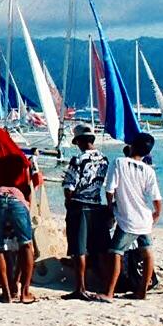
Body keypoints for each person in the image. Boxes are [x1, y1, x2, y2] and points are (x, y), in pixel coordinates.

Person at [98, 135, 162, 301]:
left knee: (115, 252)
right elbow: (156, 198)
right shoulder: (148, 170)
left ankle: (109, 293)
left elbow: (110, 189)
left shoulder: (119, 162)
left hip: (128, 219)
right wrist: (157, 213)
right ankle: (142, 291)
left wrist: (111, 207)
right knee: (147, 252)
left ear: (132, 146)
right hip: (145, 217)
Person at [0, 126, 35, 304]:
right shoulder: (19, 157)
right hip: (17, 201)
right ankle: (24, 292)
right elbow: (27, 187)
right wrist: (27, 207)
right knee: (25, 246)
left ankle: (6, 292)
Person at [61, 126, 110, 300]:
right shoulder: (104, 159)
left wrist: (68, 201)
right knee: (100, 248)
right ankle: (105, 285)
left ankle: (80, 287)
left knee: (79, 249)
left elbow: (69, 185)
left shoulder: (78, 159)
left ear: (81, 141)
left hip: (79, 206)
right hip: (96, 205)